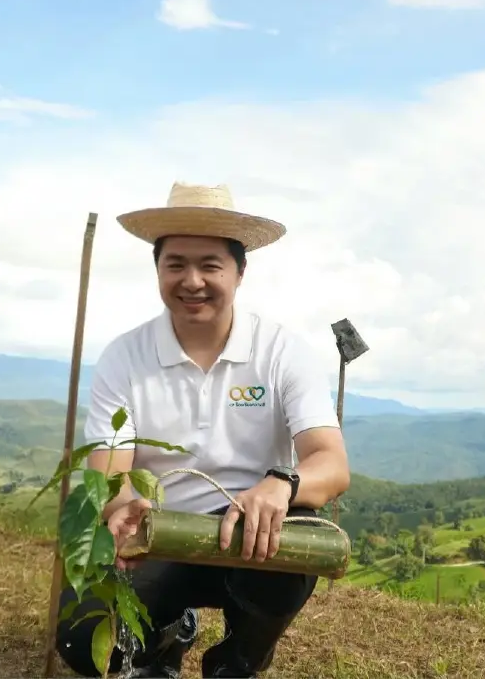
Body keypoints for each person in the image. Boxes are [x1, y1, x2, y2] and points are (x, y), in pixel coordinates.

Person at [54, 181, 351, 678]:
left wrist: (283, 483)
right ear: (158, 270)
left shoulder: (281, 352)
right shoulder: (125, 357)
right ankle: (167, 636)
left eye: (210, 265)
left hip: (250, 541)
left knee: (297, 538)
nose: (192, 281)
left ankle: (236, 661)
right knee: (83, 641)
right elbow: (108, 472)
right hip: (156, 535)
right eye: (176, 265)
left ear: (239, 272)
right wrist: (121, 504)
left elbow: (331, 463)